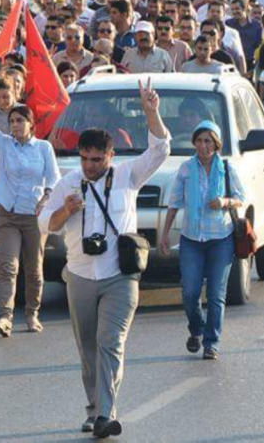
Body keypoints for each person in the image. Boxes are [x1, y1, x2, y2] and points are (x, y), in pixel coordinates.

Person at [39, 80, 170, 438]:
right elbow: (45, 224)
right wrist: (65, 211)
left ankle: (106, 415)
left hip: (120, 276)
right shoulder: (68, 183)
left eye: (97, 160)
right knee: (87, 349)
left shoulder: (128, 175)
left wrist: (151, 112)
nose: (90, 166)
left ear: (111, 157)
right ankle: (93, 407)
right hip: (79, 275)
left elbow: (161, 149)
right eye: (84, 158)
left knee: (109, 342)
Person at [0, 69, 60, 337]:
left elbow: (53, 180)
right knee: (7, 267)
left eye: (19, 121)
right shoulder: (4, 144)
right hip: (7, 216)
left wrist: (46, 199)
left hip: (33, 217)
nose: (14, 125)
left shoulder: (43, 149)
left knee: (34, 270)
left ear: (30, 124)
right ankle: (5, 317)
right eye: (12, 121)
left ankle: (31, 314)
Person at [159, 120, 245, 360]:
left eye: (208, 141)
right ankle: (196, 328)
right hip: (191, 239)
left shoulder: (226, 169)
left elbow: (240, 198)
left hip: (221, 238)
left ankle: (211, 342)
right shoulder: (186, 169)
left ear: (216, 144)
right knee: (190, 292)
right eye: (199, 140)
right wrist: (165, 235)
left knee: (216, 294)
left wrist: (225, 202)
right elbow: (174, 203)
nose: (203, 146)